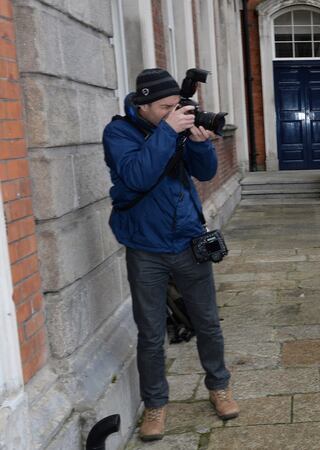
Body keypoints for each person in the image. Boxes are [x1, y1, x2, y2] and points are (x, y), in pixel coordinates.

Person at [102, 68, 239, 441]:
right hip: (146, 248)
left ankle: (219, 386)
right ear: (143, 105)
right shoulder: (118, 133)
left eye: (175, 105)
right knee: (150, 333)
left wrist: (198, 142)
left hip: (187, 242)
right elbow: (138, 176)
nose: (173, 111)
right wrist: (168, 132)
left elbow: (206, 172)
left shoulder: (174, 128)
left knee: (208, 322)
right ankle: (156, 406)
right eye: (165, 107)